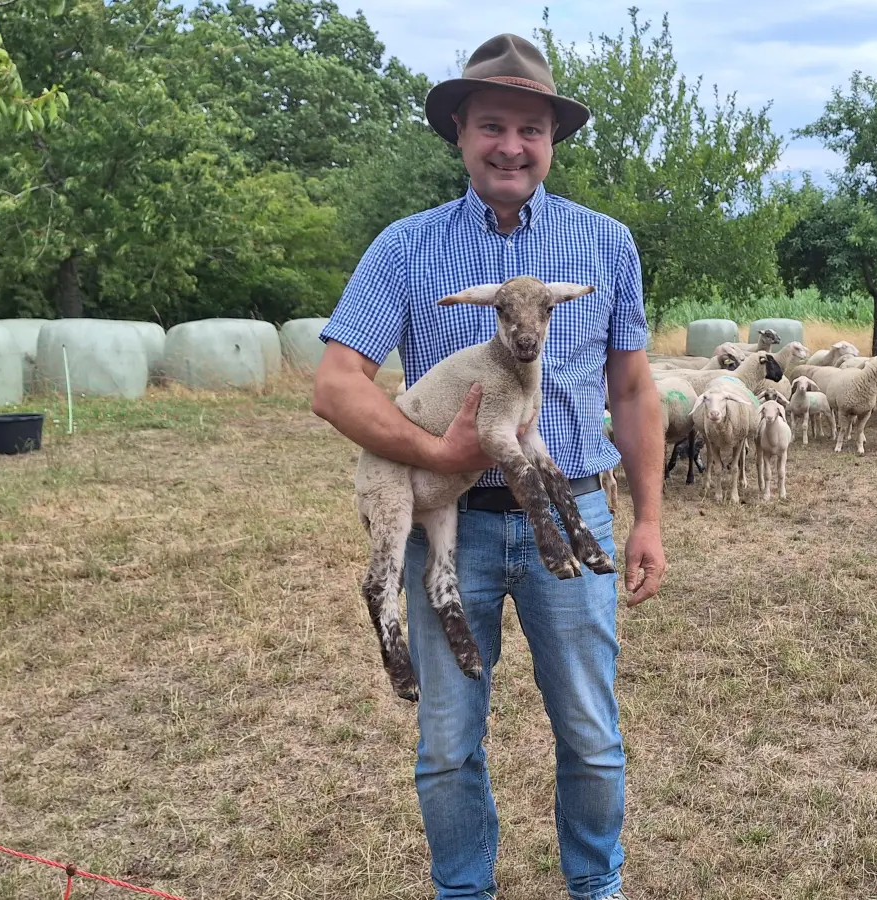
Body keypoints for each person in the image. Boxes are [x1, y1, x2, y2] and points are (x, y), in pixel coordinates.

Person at [310, 31, 667, 900]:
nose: (512, 146)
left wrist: (651, 517)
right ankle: (463, 891)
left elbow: (631, 387)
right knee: (445, 739)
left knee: (589, 730)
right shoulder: (404, 248)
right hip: (455, 526)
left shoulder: (606, 245)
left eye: (531, 129)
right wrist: (438, 455)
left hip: (570, 506)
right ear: (461, 133)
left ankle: (596, 886)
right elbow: (334, 384)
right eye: (493, 125)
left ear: (552, 140)